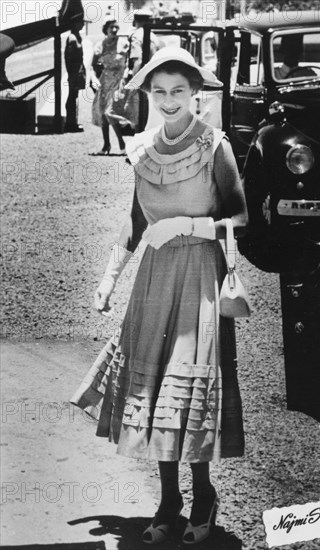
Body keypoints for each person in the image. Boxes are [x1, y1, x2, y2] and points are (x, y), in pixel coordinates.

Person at [71, 46, 248, 545]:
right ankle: (169, 500)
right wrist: (108, 280)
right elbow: (132, 222)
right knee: (155, 395)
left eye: (179, 91)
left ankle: (203, 495)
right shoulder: (142, 150)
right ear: (148, 94)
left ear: (195, 94)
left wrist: (182, 224)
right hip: (153, 279)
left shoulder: (215, 145)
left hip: (199, 278)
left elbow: (240, 217)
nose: (169, 101)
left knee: (187, 389)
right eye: (160, 91)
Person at [91, 19, 127, 155]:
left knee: (109, 112)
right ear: (106, 29)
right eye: (111, 27)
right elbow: (92, 66)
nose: (114, 30)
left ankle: (122, 144)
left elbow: (129, 62)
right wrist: (94, 78)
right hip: (105, 81)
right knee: (102, 113)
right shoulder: (100, 46)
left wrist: (126, 74)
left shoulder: (124, 44)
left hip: (119, 80)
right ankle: (106, 145)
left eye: (116, 27)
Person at [64, 19, 86, 132]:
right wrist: (72, 73)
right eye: (80, 22)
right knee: (72, 97)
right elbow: (68, 58)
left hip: (77, 71)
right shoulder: (72, 38)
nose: (82, 24)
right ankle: (70, 123)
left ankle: (72, 121)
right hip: (74, 72)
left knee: (74, 96)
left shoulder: (76, 36)